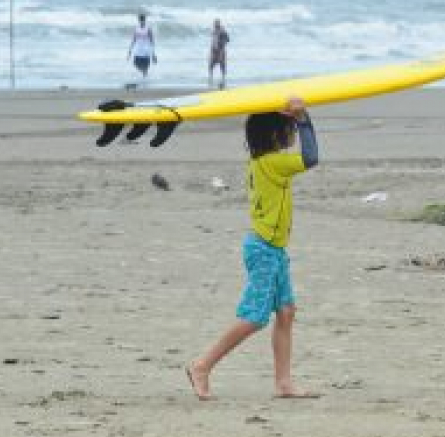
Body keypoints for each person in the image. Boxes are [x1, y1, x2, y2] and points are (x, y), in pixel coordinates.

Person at [186, 97, 320, 400]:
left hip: (273, 249)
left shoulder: (261, 162)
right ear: (274, 135)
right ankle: (201, 366)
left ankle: (283, 383)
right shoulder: (273, 163)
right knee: (255, 317)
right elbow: (311, 157)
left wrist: (298, 117)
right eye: (289, 129)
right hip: (264, 250)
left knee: (286, 312)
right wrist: (303, 117)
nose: (293, 133)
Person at [127, 13, 157, 80]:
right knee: (135, 63)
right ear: (139, 21)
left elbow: (152, 41)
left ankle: (145, 79)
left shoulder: (148, 29)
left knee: (146, 66)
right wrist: (130, 51)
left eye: (143, 20)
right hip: (138, 49)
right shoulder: (136, 29)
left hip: (146, 50)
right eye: (140, 20)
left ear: (145, 20)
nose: (142, 21)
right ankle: (144, 74)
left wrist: (153, 54)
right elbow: (133, 40)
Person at [208, 19, 229, 89]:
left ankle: (223, 79)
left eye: (216, 24)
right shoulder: (214, 32)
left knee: (222, 65)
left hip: (221, 50)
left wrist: (222, 46)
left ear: (219, 24)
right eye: (215, 24)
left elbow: (227, 40)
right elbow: (213, 41)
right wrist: (211, 50)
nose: (215, 25)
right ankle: (210, 78)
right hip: (214, 50)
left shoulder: (223, 31)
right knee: (211, 65)